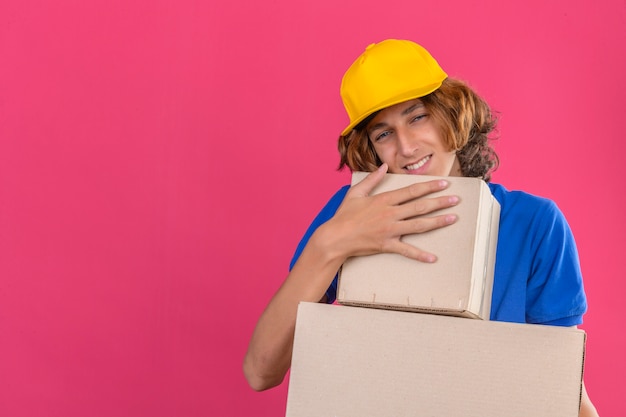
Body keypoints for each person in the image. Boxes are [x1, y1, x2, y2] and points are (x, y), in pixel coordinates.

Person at [243, 39, 598, 416]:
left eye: (417, 117)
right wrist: (332, 243)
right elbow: (261, 371)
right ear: (371, 149)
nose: (407, 147)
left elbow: (560, 384)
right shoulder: (351, 212)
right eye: (383, 134)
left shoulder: (534, 223)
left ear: (452, 111)